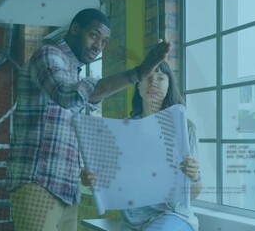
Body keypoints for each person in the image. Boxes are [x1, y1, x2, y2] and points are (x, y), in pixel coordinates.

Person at [6, 8, 170, 231]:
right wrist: (139, 72)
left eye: (104, 42)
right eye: (94, 35)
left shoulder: (74, 73)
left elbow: (85, 114)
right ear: (74, 28)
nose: (98, 46)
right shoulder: (47, 55)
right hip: (39, 182)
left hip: (66, 189)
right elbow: (67, 95)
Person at [81, 61, 202, 231]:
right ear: (138, 86)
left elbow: (195, 192)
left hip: (173, 217)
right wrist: (93, 180)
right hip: (131, 223)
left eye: (161, 78)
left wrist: (195, 176)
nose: (153, 83)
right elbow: (111, 183)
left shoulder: (184, 129)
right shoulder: (122, 132)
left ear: (169, 86)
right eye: (148, 77)